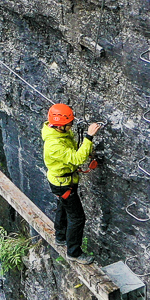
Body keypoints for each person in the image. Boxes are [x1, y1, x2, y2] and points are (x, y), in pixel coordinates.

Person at [42, 103, 102, 264]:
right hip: (63, 183)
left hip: (62, 181)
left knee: (63, 205)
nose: (71, 126)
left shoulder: (57, 134)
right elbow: (77, 159)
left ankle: (61, 236)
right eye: (69, 124)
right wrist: (89, 137)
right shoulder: (54, 145)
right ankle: (74, 252)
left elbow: (73, 152)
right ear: (60, 126)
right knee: (77, 217)